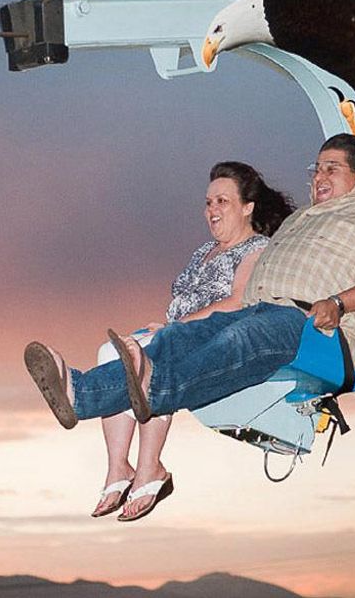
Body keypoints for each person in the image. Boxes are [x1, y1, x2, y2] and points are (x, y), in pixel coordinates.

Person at [24, 133, 355, 517]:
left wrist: (338, 302)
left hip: (310, 326)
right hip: (261, 311)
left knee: (236, 337)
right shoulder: (301, 219)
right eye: (315, 169)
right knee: (178, 335)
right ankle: (80, 393)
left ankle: (155, 387)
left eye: (331, 169)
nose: (318, 176)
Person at [91, 162, 294, 521]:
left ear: (248, 207)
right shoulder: (204, 252)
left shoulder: (257, 248)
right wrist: (167, 326)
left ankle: (149, 467)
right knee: (111, 352)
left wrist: (175, 328)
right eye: (208, 202)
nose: (212, 210)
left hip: (214, 337)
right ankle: (118, 467)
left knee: (151, 358)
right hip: (177, 330)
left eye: (222, 202)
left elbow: (239, 300)